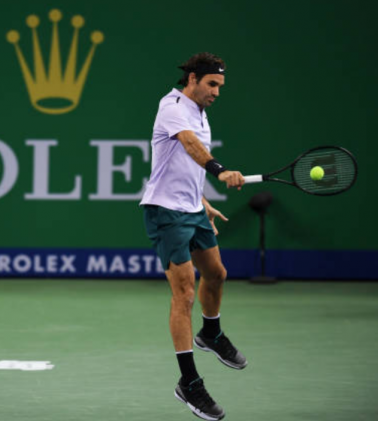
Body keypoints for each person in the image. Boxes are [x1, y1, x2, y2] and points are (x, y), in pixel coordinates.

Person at [139, 52, 247, 421]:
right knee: (184, 293)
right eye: (211, 84)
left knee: (216, 274)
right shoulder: (172, 106)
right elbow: (188, 145)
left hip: (192, 209)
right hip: (165, 213)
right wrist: (219, 171)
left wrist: (201, 200)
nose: (216, 92)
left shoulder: (201, 113)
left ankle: (211, 334)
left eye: (220, 86)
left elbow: (179, 163)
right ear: (193, 80)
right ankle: (189, 382)